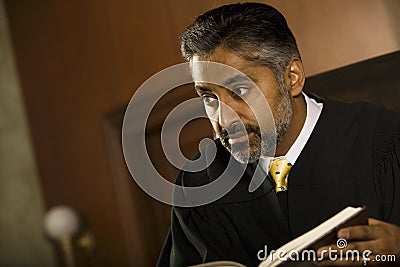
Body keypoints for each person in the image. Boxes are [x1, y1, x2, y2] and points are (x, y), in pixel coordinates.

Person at [157, 2, 400, 266]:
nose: (224, 119)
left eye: (239, 90)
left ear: (292, 77)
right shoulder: (199, 184)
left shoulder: (384, 141)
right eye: (209, 97)